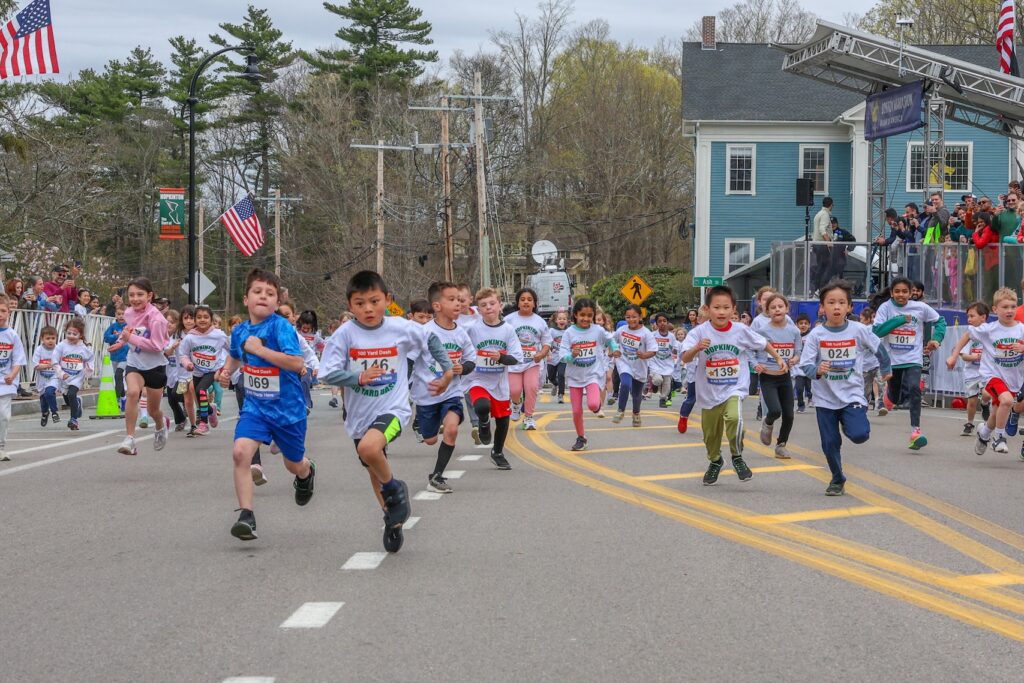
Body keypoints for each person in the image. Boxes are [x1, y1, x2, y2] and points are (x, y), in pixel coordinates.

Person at [319, 270, 454, 552]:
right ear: (349, 305)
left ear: (387, 300)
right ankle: (392, 519)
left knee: (369, 450)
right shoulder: (344, 335)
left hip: (393, 409)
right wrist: (356, 378)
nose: (368, 309)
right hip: (359, 414)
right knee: (372, 465)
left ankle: (395, 490)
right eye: (359, 303)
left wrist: (448, 371)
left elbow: (431, 341)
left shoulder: (400, 328)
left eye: (374, 301)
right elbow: (327, 373)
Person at [217, 268, 316, 542]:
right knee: (240, 453)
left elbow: (297, 364)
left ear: (277, 301)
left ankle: (306, 472)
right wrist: (225, 373)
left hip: (288, 410)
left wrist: (260, 350)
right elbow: (236, 358)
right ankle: (246, 516)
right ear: (246, 299)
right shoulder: (240, 331)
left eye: (270, 294)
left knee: (293, 464)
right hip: (256, 407)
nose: (263, 297)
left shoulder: (281, 327)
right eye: (257, 292)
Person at [681, 285, 785, 485]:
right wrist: (697, 348)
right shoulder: (699, 332)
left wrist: (778, 358)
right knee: (710, 437)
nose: (721, 312)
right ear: (707, 309)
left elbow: (763, 343)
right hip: (709, 392)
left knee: (735, 419)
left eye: (726, 308)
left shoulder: (741, 330)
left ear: (733, 309)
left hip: (734, 387)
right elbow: (685, 358)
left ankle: (737, 456)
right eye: (717, 308)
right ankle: (716, 460)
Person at [798, 281, 891, 496]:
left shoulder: (859, 330)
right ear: (822, 308)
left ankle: (850, 423)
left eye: (841, 302)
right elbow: (805, 365)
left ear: (849, 307)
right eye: (831, 303)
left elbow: (879, 349)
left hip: (852, 395)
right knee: (830, 443)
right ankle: (837, 478)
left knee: (859, 435)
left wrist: (886, 369)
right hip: (825, 398)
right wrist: (817, 370)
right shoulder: (816, 335)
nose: (836, 307)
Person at [412, 281, 477, 493]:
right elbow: (409, 359)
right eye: (452, 300)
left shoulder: (461, 333)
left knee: (451, 429)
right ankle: (424, 424)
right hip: (427, 393)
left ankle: (437, 476)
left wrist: (462, 368)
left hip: (452, 392)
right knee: (430, 440)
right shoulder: (424, 332)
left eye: (459, 300)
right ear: (437, 306)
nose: (458, 304)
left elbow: (471, 359)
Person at [946, 288, 1024, 457]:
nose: (1010, 311)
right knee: (1007, 401)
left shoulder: (1021, 329)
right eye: (1005, 307)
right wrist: (953, 356)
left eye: (1013, 306)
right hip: (992, 375)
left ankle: (984, 434)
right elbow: (967, 335)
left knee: (997, 412)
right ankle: (999, 438)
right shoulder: (989, 329)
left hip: (1013, 378)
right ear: (995, 310)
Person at [873, 277, 946, 450]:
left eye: (905, 291)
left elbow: (940, 321)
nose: (901, 295)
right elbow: (877, 331)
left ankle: (915, 432)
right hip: (893, 360)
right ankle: (889, 397)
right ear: (891, 292)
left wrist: (936, 339)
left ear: (911, 293)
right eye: (897, 291)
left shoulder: (920, 308)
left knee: (914, 388)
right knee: (896, 396)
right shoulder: (885, 308)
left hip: (913, 357)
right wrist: (899, 320)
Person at [107, 277, 170, 456]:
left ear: (149, 296)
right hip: (135, 362)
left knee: (153, 410)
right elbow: (128, 331)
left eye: (140, 295)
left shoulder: (157, 319)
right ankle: (130, 439)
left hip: (155, 366)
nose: (135, 299)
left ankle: (160, 425)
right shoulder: (128, 313)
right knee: (132, 393)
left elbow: (157, 346)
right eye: (131, 295)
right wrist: (120, 342)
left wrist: (130, 339)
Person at [464, 287, 522, 468]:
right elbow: (462, 350)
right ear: (478, 309)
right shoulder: (472, 329)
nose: (488, 307)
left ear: (500, 306)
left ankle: (497, 452)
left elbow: (516, 358)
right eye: (483, 305)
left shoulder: (508, 330)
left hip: (499, 381)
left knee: (503, 419)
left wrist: (501, 357)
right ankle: (482, 422)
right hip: (477, 378)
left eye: (492, 303)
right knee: (482, 405)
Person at [558, 298, 619, 451]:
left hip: (593, 373)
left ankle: (598, 406)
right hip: (574, 376)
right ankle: (581, 437)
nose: (585, 319)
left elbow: (610, 338)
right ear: (575, 315)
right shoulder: (569, 333)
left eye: (589, 315)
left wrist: (615, 348)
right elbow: (562, 355)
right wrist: (571, 356)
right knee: (577, 411)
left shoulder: (597, 330)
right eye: (582, 315)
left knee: (593, 404)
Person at [756, 293, 802, 459]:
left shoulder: (794, 331)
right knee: (775, 410)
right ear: (767, 311)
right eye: (773, 307)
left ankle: (781, 445)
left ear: (787, 309)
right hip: (768, 376)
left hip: (785, 377)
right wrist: (755, 364)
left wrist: (794, 360)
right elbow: (750, 350)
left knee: (789, 414)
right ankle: (767, 423)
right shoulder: (762, 331)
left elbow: (798, 353)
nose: (777, 310)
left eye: (780, 306)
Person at [178, 304, 228, 435]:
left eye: (206, 317)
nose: (202, 320)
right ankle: (211, 411)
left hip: (213, 370)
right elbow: (183, 354)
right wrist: (188, 364)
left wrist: (226, 367)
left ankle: (204, 423)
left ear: (211, 320)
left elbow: (232, 350)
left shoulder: (219, 335)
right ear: (195, 320)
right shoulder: (190, 337)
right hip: (196, 371)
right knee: (200, 398)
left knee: (201, 391)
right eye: (199, 317)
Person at [507, 287, 552, 431]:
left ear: (534, 304)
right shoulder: (509, 320)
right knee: (515, 390)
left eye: (529, 300)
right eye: (523, 299)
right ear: (518, 303)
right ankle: (515, 405)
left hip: (532, 362)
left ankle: (528, 418)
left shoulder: (540, 322)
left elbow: (547, 342)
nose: (526, 302)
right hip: (514, 362)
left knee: (531, 388)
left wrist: (541, 354)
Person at [946, 302, 992, 437]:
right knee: (972, 401)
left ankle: (984, 404)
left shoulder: (991, 332)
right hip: (972, 372)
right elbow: (964, 355)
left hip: (986, 372)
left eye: (972, 316)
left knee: (987, 394)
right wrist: (974, 356)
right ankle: (970, 423)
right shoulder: (970, 333)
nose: (969, 319)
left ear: (983, 317)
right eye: (968, 317)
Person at [612, 304, 656, 426]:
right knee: (625, 384)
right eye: (628, 317)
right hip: (624, 362)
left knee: (637, 396)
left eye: (634, 317)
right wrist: (613, 350)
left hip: (639, 366)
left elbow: (653, 351)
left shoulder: (646, 333)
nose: (631, 320)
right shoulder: (621, 330)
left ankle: (636, 413)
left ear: (640, 317)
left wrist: (644, 355)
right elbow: (611, 341)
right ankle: (620, 411)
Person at [53, 317, 93, 431]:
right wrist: (60, 373)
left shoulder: (83, 348)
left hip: (77, 377)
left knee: (71, 394)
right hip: (64, 377)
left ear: (80, 335)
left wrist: (88, 370)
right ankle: (77, 403)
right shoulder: (61, 346)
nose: (70, 336)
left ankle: (74, 419)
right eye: (68, 333)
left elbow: (90, 359)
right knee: (67, 398)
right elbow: (54, 361)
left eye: (74, 334)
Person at [0, 294, 26, 461]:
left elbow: (18, 359)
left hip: (5, 381)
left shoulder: (12, 335)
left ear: (8, 312)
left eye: (3, 310)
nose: (0, 314)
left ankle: (1, 447)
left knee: (4, 415)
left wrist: (12, 374)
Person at [103, 305, 129, 411]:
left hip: (125, 357)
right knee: (118, 378)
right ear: (115, 315)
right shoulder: (113, 326)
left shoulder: (129, 326)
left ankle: (117, 399)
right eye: (119, 314)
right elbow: (106, 338)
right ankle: (123, 398)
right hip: (114, 356)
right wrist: (116, 336)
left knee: (119, 374)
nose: (121, 316)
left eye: (123, 314)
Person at [33, 325, 60, 427]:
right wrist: (48, 365)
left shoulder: (58, 349)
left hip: (54, 377)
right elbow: (36, 365)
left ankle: (54, 412)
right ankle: (45, 413)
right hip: (42, 378)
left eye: (53, 338)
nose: (50, 341)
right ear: (42, 339)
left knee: (49, 392)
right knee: (44, 399)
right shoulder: (39, 350)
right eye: (47, 338)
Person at [649, 313, 677, 408]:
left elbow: (675, 347)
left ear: (668, 323)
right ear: (656, 324)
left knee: (667, 385)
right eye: (659, 321)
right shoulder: (652, 335)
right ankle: (654, 384)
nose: (662, 323)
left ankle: (662, 399)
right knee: (657, 380)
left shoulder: (672, 336)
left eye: (664, 321)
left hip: (667, 363)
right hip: (655, 362)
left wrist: (674, 350)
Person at [811, 196, 834, 293]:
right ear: (831, 205)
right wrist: (828, 242)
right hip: (822, 245)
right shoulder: (825, 215)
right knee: (828, 267)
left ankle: (816, 288)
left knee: (820, 267)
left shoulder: (818, 214)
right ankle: (821, 288)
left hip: (817, 244)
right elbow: (822, 229)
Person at [547, 310, 569, 404]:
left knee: (561, 374)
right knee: (551, 376)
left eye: (564, 319)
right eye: (560, 318)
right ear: (556, 320)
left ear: (567, 321)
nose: (562, 320)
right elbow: (547, 343)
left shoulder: (569, 331)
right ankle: (555, 384)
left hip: (563, 357)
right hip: (552, 356)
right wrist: (548, 353)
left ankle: (561, 395)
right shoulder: (552, 331)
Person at [794, 314, 814, 412]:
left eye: (806, 323)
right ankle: (801, 405)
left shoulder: (812, 336)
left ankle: (811, 397)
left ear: (809, 325)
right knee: (799, 388)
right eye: (801, 323)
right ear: (796, 325)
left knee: (809, 387)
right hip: (798, 367)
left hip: (809, 365)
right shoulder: (794, 336)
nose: (803, 325)